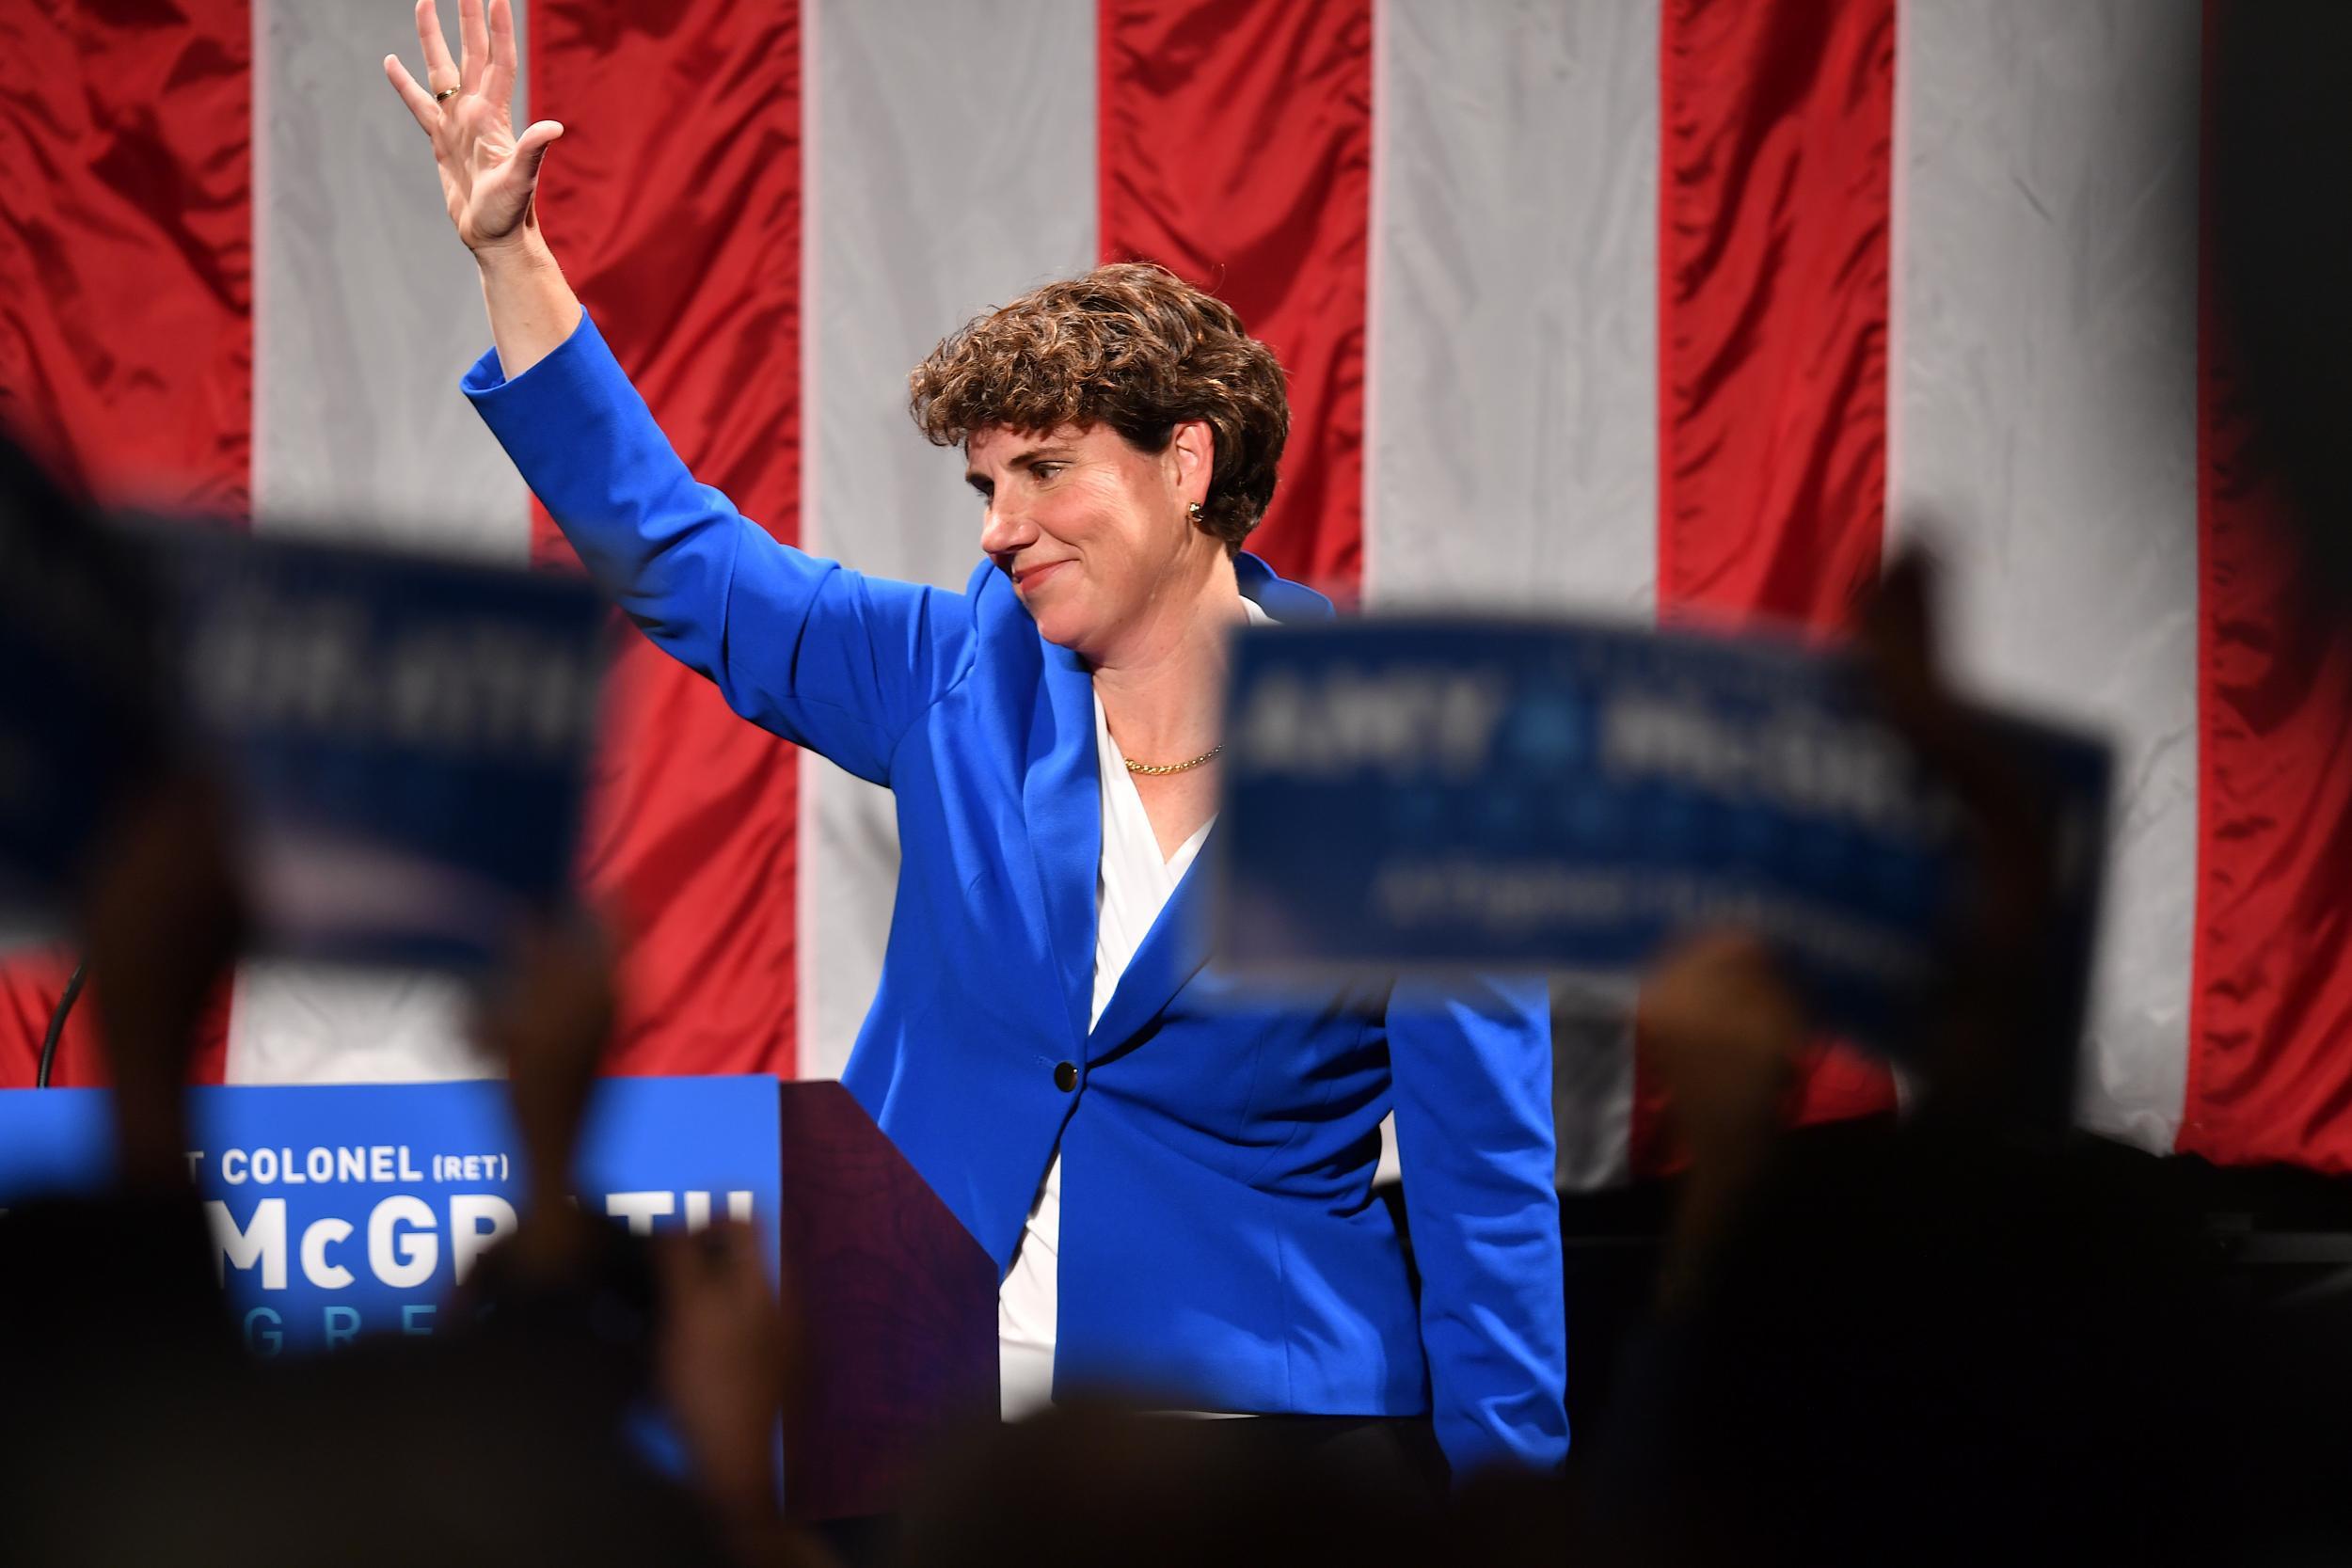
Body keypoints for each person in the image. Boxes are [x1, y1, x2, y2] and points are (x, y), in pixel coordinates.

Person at [383, 0, 1565, 1481]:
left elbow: (1488, 1189)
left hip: (1256, 1444)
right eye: (985, 485)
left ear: (1187, 463)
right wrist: (513, 255)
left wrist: (1516, 1515)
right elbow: (680, 556)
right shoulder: (950, 680)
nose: (1002, 528)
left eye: (1048, 472)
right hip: (920, 1417)